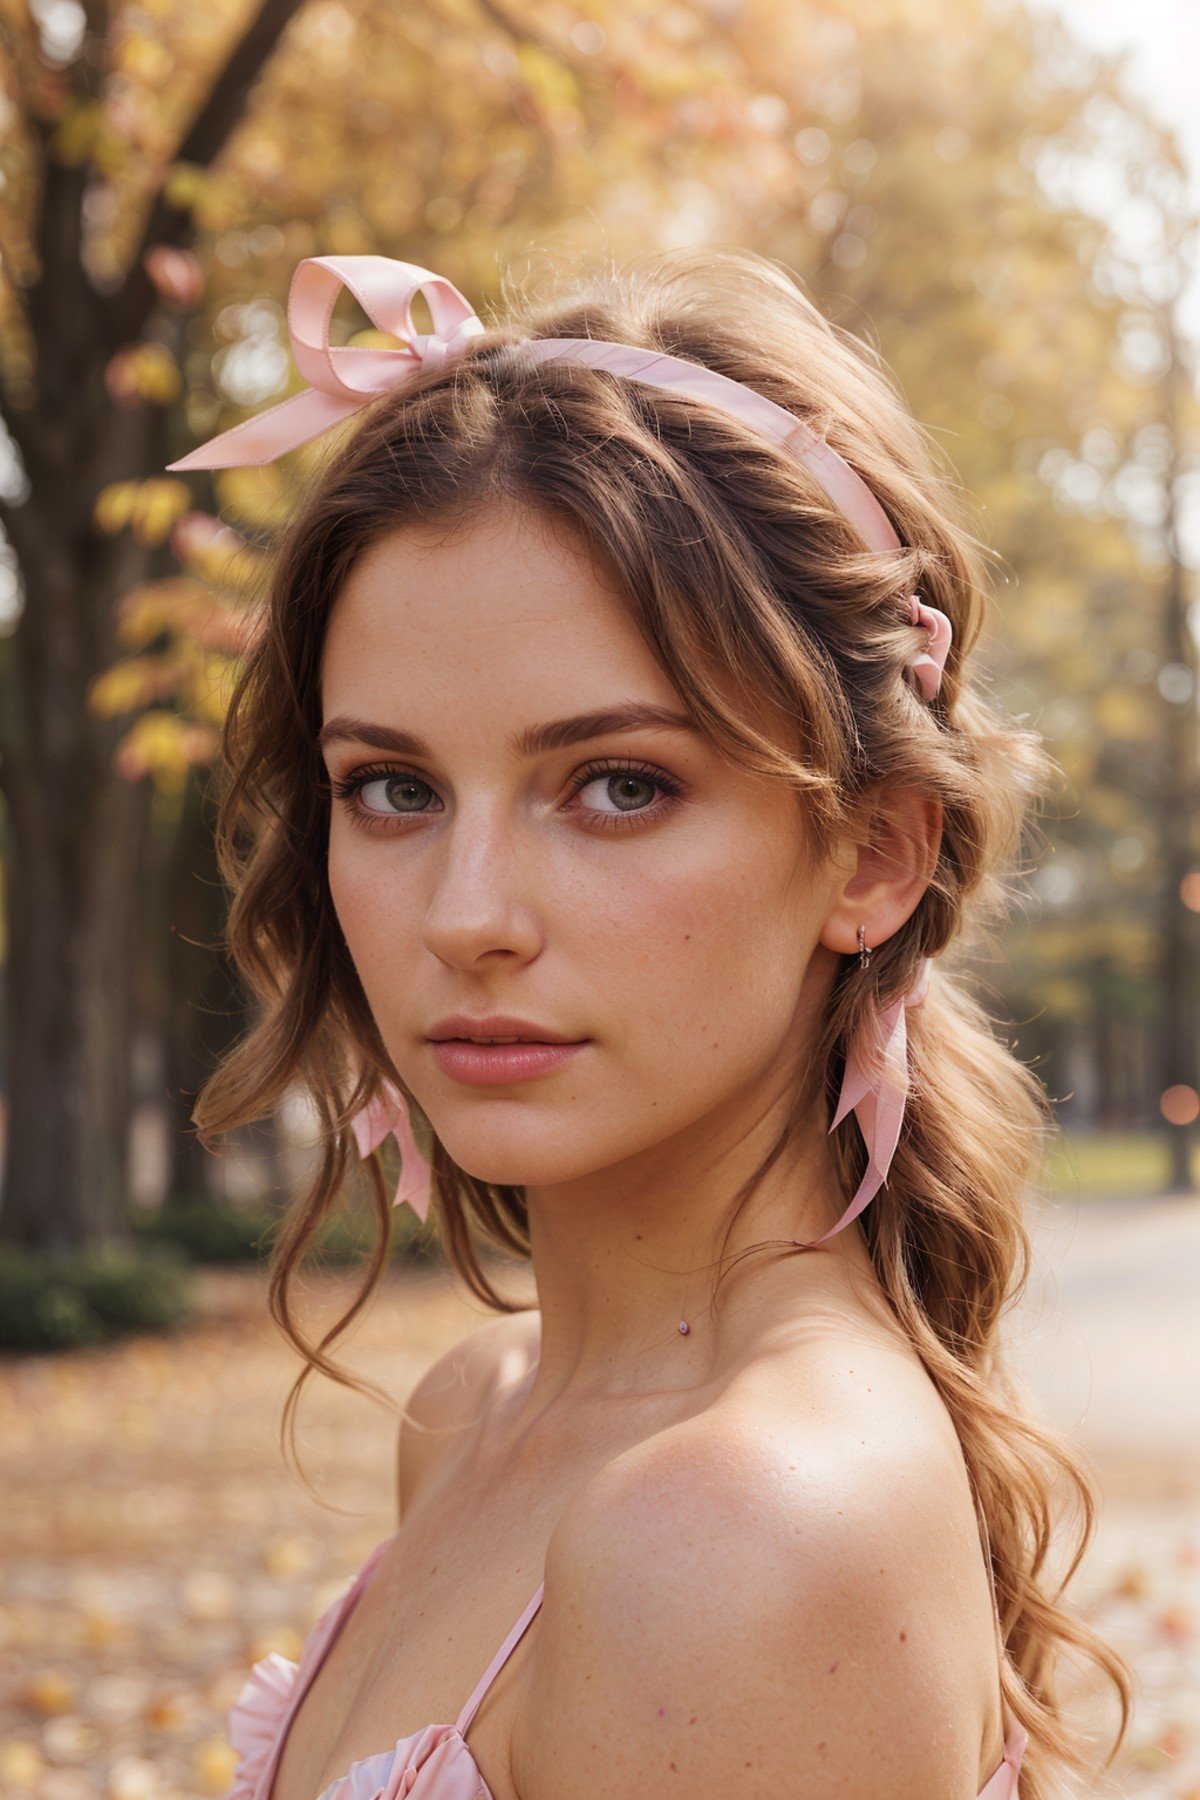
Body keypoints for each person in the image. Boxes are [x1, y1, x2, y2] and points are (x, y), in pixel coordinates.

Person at [180, 246, 1131, 1799]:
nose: (467, 912)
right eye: (394, 788)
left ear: (874, 852)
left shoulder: (736, 1530)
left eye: (619, 785)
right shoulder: (476, 1416)